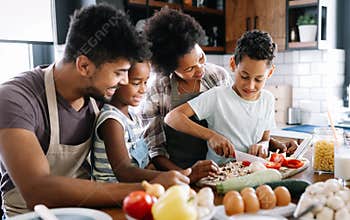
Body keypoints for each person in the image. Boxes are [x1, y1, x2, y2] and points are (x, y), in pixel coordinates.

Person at [0, 4, 189, 217]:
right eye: (119, 73)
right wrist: (148, 188)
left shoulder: (98, 95)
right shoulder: (14, 98)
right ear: (84, 66)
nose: (124, 82)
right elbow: (38, 190)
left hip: (85, 212)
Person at [140, 8, 234, 183]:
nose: (200, 70)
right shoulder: (158, 88)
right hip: (178, 173)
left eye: (201, 58)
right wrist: (186, 175)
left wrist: (268, 142)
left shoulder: (218, 77)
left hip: (221, 172)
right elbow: (155, 149)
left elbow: (234, 123)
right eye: (189, 69)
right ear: (170, 68)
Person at [165, 30, 280, 165]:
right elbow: (172, 118)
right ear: (232, 64)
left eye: (259, 79)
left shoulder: (268, 100)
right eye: (244, 76)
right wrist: (211, 136)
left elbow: (265, 138)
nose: (250, 85)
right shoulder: (217, 96)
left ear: (270, 72)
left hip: (254, 170)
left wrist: (263, 145)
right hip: (219, 173)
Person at [92, 60, 185, 184]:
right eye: (136, 83)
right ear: (117, 80)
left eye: (145, 82)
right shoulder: (112, 122)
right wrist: (171, 176)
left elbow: (143, 164)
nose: (144, 89)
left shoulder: (133, 117)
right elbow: (124, 172)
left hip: (133, 186)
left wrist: (177, 174)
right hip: (112, 191)